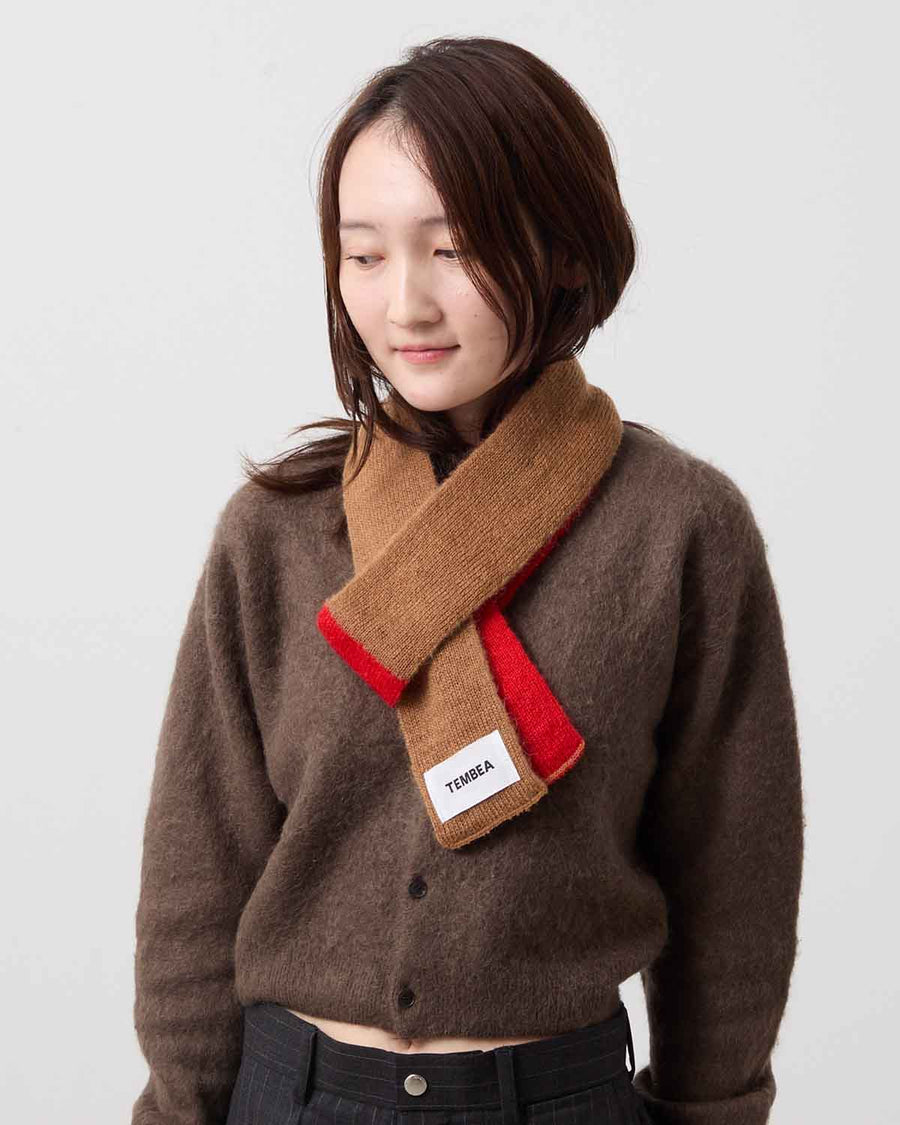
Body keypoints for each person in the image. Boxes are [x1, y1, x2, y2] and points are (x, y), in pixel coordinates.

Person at [131, 35, 804, 1125]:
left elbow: (736, 882)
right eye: (363, 256)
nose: (405, 303)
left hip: (561, 1100)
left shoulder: (681, 530)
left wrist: (717, 1111)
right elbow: (194, 879)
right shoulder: (275, 534)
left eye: (452, 249)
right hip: (296, 1098)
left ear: (566, 248)